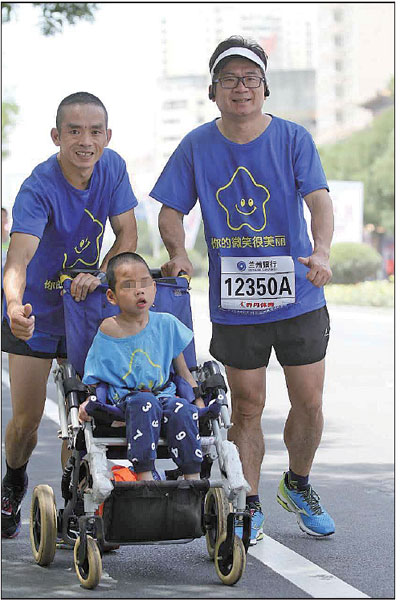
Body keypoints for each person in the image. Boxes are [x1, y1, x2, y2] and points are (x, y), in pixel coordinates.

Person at [151, 35, 335, 544]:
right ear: (213, 91)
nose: (240, 87)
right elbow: (170, 210)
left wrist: (321, 252)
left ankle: (297, 484)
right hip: (236, 299)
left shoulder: (293, 138)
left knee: (310, 400)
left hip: (298, 293)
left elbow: (319, 200)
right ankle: (248, 502)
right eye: (229, 79)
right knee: (248, 405)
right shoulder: (196, 145)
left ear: (264, 87)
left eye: (250, 78)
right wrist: (180, 253)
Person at [1, 92, 138, 538]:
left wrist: (100, 274)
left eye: (95, 131)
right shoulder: (38, 188)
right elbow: (17, 261)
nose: (86, 141)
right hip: (35, 310)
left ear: (107, 136)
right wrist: (13, 307)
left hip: (83, 305)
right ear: (57, 136)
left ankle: (75, 506)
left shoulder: (113, 168)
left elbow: (127, 234)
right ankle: (15, 477)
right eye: (74, 131)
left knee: (84, 413)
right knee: (26, 420)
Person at [79, 252, 208, 480]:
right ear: (112, 296)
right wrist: (89, 400)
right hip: (127, 399)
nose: (139, 290)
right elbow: (95, 374)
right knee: (144, 402)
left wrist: (197, 399)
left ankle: (192, 478)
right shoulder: (109, 329)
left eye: (145, 283)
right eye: (128, 286)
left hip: (164, 396)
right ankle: (145, 475)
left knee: (183, 409)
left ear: (154, 289)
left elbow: (184, 372)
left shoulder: (167, 324)